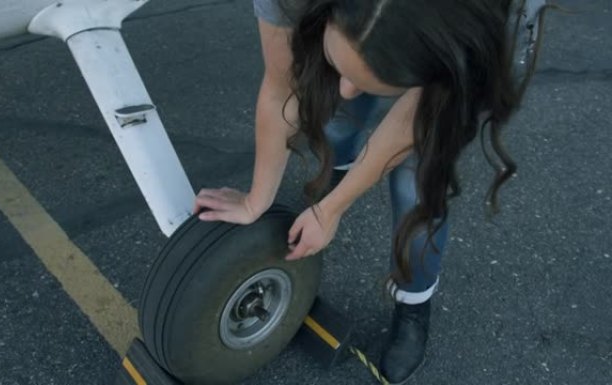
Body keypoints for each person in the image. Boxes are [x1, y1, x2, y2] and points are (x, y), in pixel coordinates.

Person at [194, 0, 546, 383]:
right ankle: (337, 167)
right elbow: (282, 86)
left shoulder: (480, 32)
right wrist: (255, 199)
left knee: (418, 181)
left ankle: (414, 300)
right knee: (340, 112)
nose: (345, 90)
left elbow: (421, 119)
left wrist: (333, 210)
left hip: (460, 44)